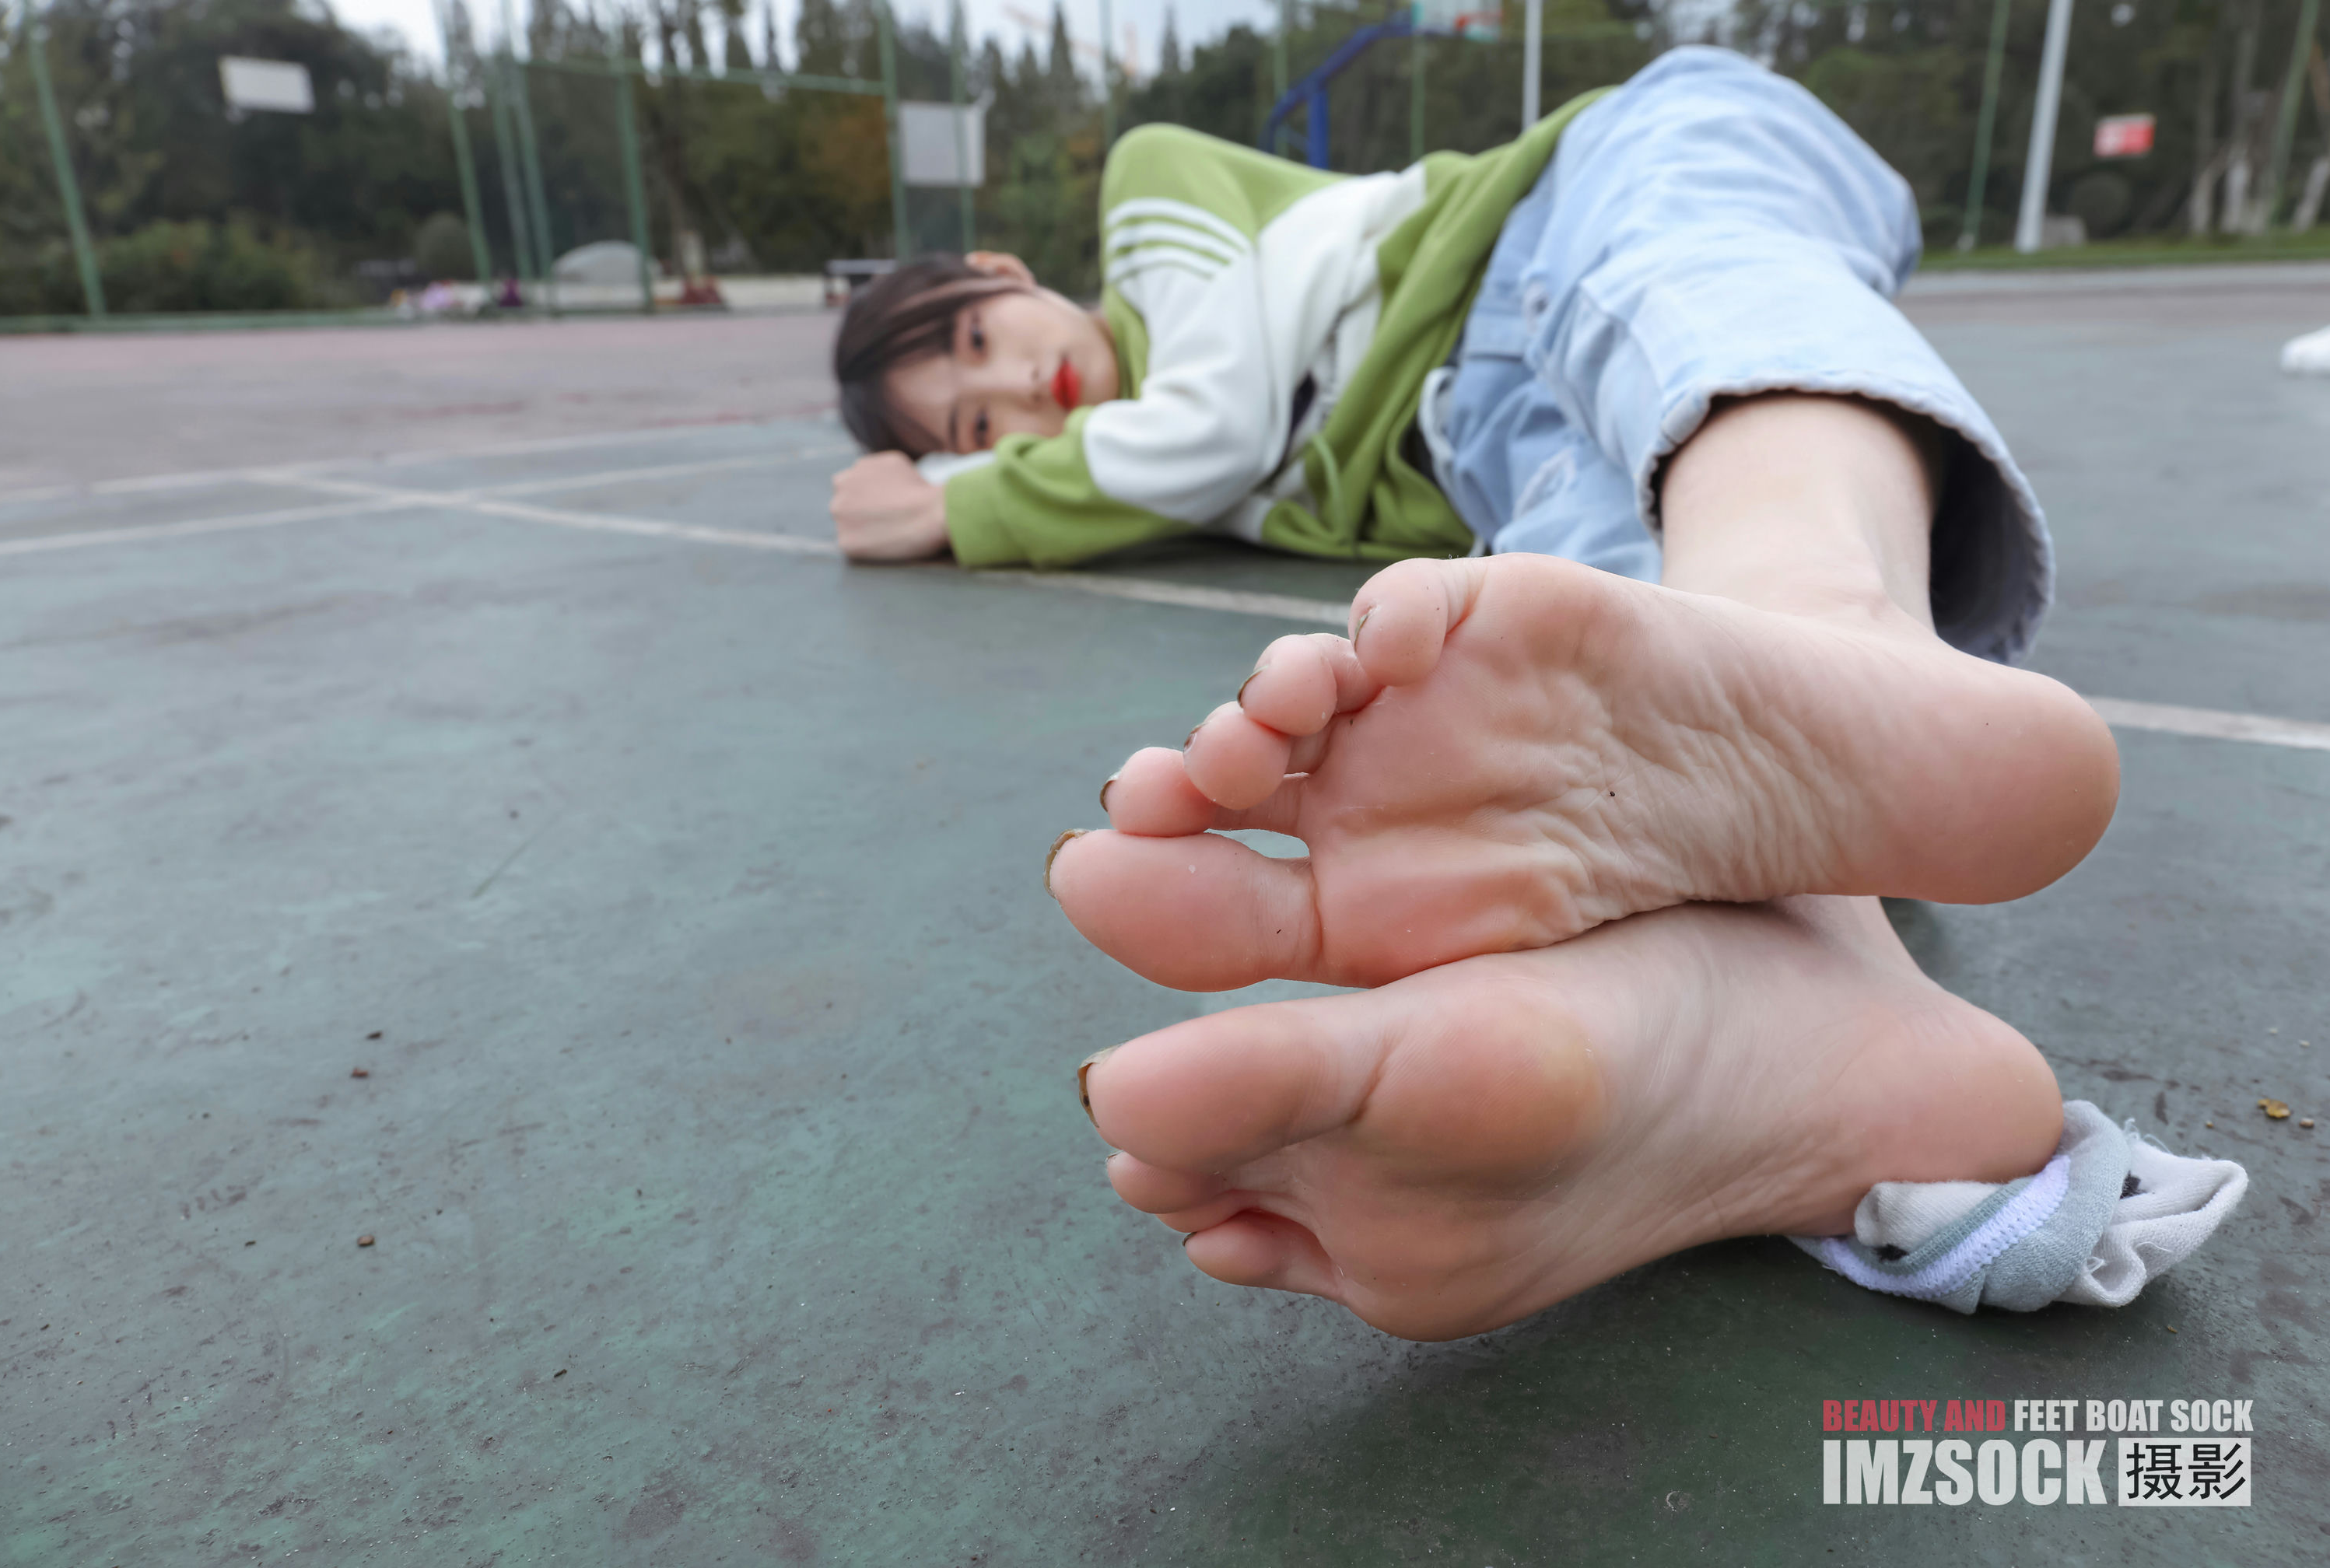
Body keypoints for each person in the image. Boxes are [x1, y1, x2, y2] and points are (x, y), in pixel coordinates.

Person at [836, 49, 2154, 1339]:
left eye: (976, 336)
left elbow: (1212, 424)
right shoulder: (1155, 480)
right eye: (977, 428)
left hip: (1566, 203)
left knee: (1685, 284)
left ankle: (1831, 630)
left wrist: (957, 501)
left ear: (1005, 270)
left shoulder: (1152, 197)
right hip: (1484, 437)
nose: (1017, 388)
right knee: (1597, 607)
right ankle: (1811, 1000)